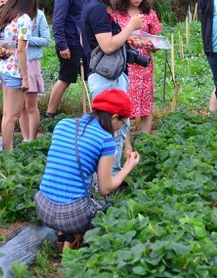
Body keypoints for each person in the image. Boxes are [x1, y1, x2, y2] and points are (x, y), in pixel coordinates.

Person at [35, 88, 140, 250]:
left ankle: (64, 235)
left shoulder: (62, 125)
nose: (121, 127)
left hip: (42, 206)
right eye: (123, 122)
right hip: (72, 214)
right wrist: (127, 167)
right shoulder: (105, 140)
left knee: (71, 189)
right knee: (108, 212)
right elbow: (105, 189)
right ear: (114, 117)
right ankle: (75, 237)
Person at [81, 0, 143, 175]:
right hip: (104, 77)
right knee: (108, 132)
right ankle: (105, 183)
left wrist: (126, 42)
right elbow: (107, 46)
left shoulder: (100, 6)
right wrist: (130, 28)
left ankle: (111, 178)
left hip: (110, 75)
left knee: (115, 131)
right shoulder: (97, 9)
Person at [44, 0, 98, 119]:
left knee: (93, 76)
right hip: (70, 44)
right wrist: (62, 46)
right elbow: (58, 22)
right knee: (65, 79)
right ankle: (50, 115)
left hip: (82, 44)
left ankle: (97, 113)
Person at [0, 0, 38, 151]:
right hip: (15, 71)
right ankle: (7, 153)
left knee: (8, 115)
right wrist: (26, 78)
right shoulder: (24, 19)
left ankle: (5, 150)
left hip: (3, 67)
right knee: (13, 115)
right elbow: (22, 51)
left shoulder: (5, 13)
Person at [112, 0, 161, 134]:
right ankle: (125, 141)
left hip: (145, 64)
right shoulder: (118, 14)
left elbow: (157, 39)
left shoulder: (149, 13)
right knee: (126, 103)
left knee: (146, 103)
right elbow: (113, 37)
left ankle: (145, 139)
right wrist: (129, 40)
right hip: (126, 64)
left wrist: (152, 45)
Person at [11, 0, 51, 143]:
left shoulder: (38, 15)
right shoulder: (10, 14)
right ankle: (25, 139)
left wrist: (25, 39)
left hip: (31, 62)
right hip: (14, 64)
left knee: (30, 106)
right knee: (19, 107)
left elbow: (46, 40)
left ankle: (33, 141)